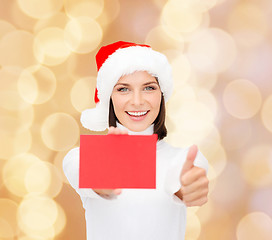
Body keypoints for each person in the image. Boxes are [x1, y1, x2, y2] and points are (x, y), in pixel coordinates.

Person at [63, 41, 209, 240]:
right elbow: (90, 177)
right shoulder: (79, 157)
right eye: (124, 89)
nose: (138, 101)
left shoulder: (184, 159)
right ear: (109, 98)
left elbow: (186, 184)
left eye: (149, 88)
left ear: (161, 95)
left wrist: (189, 189)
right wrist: (107, 173)